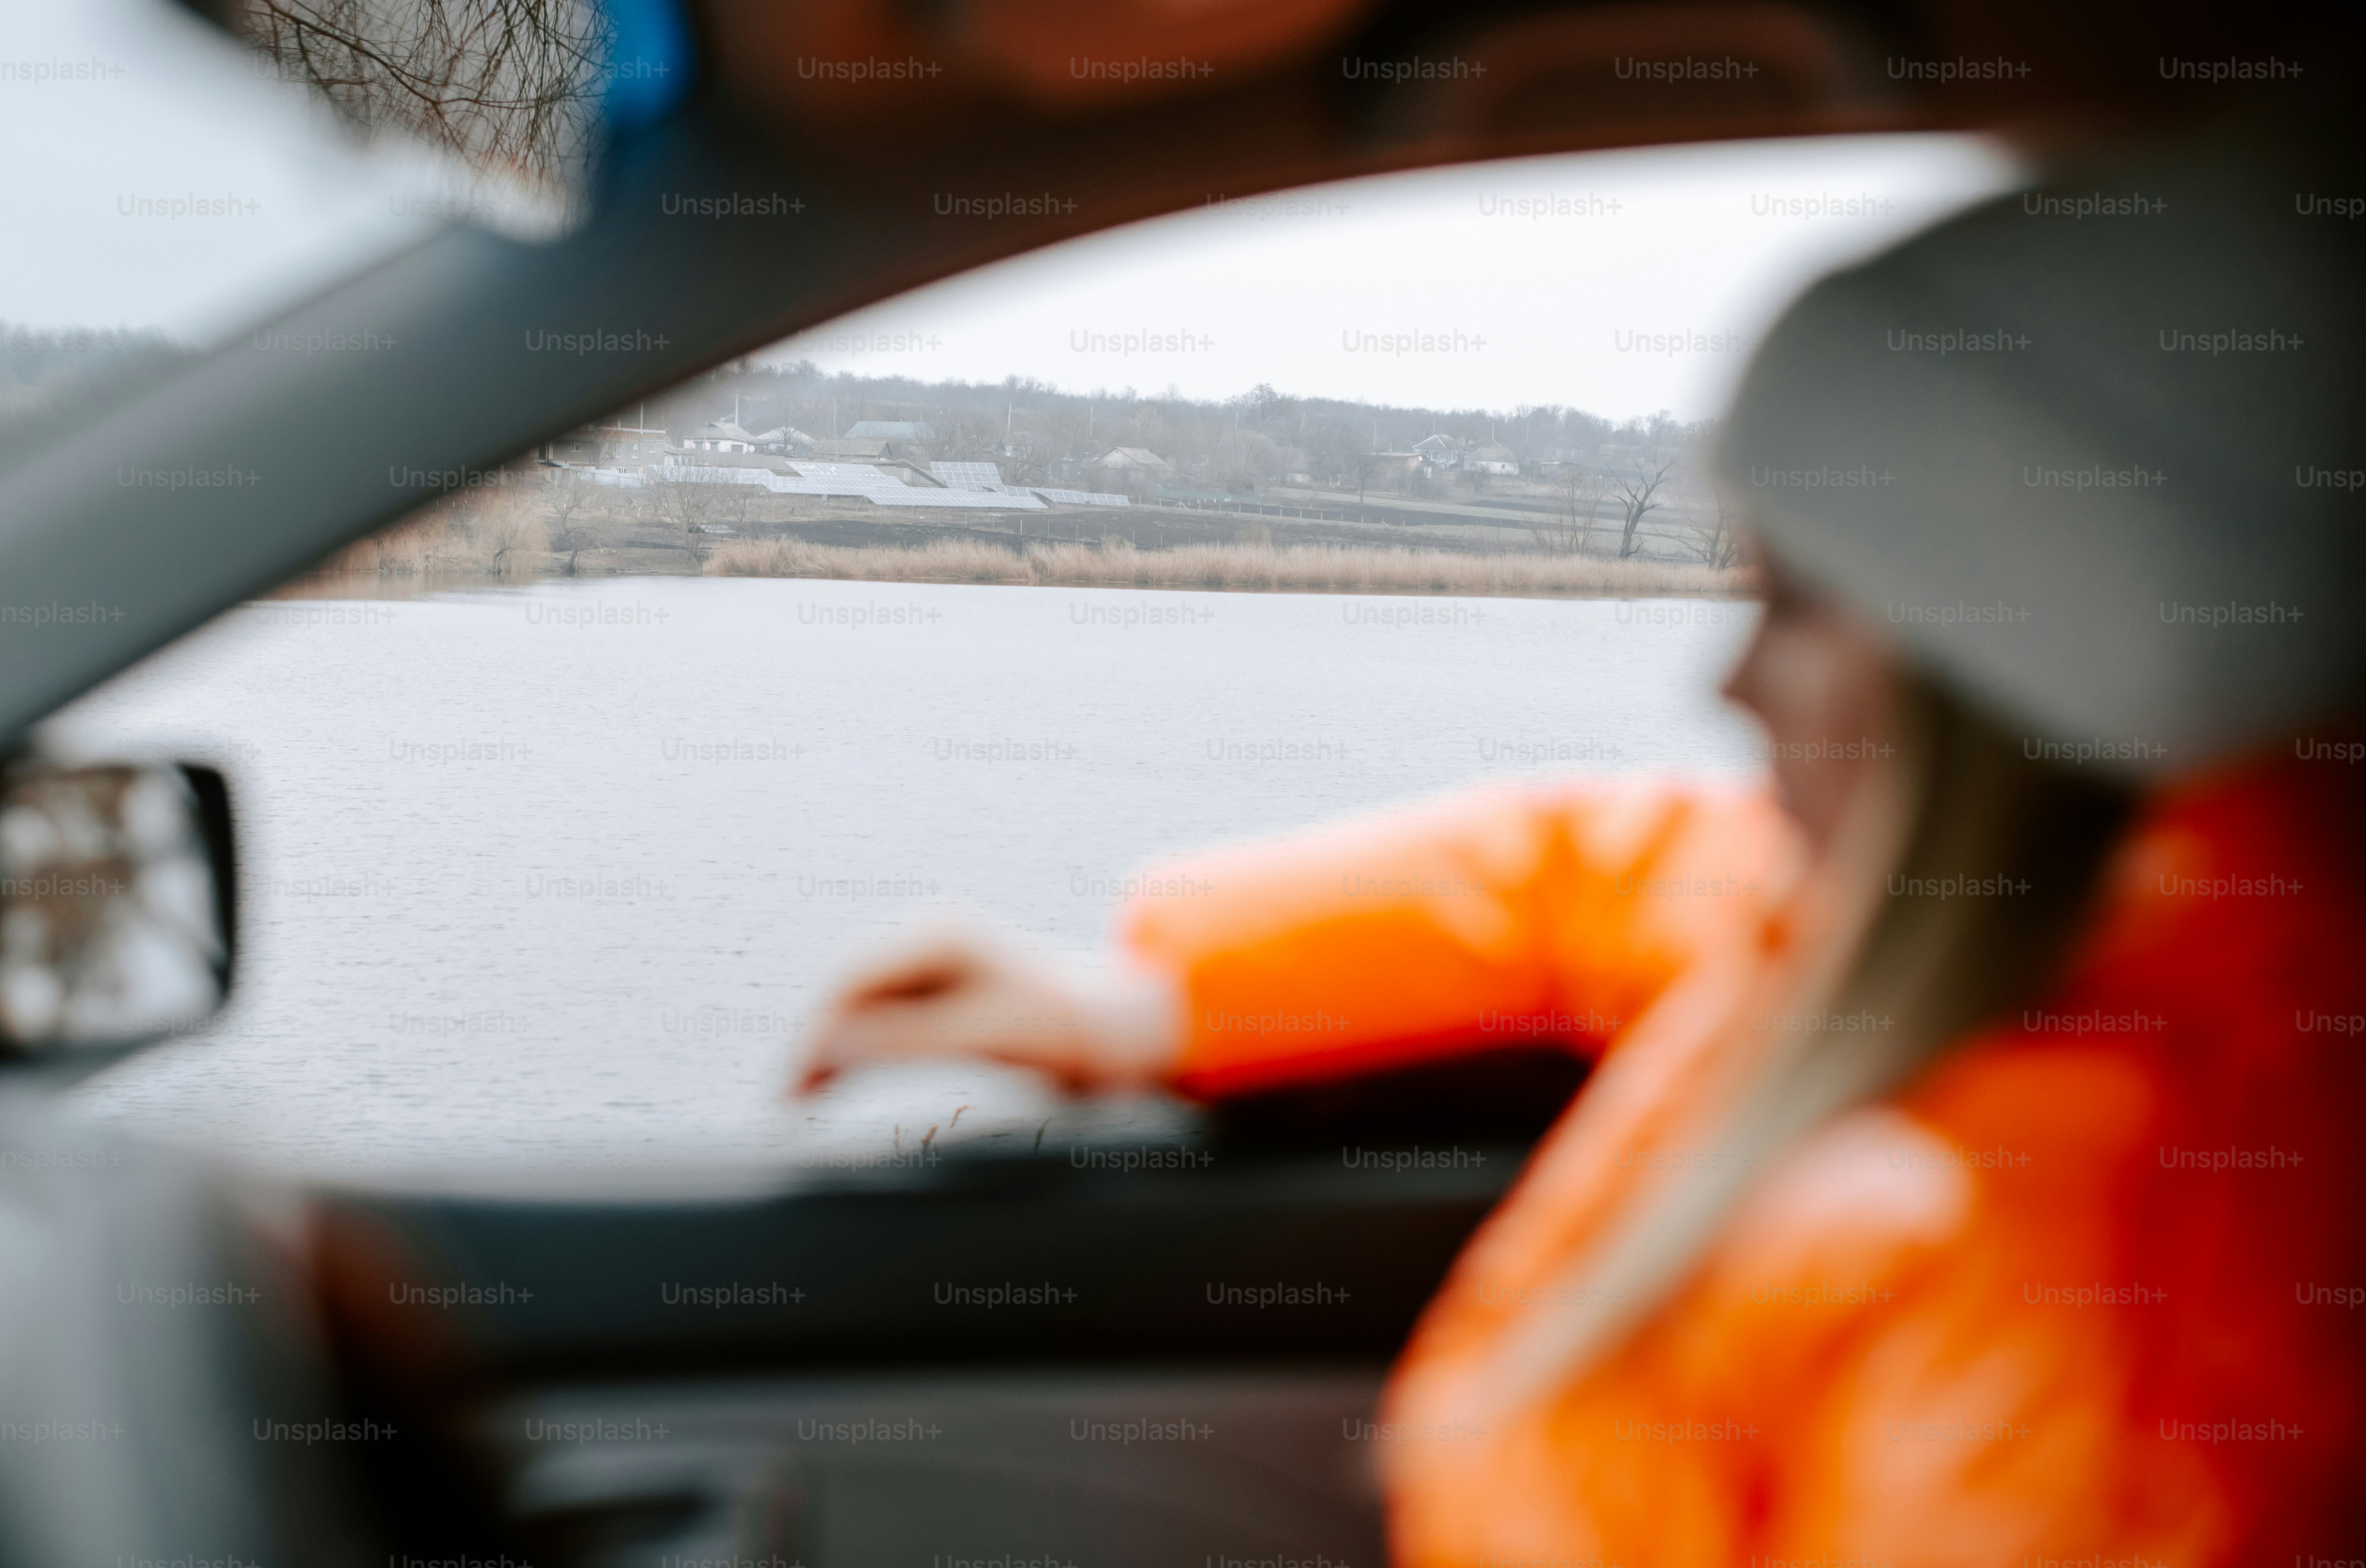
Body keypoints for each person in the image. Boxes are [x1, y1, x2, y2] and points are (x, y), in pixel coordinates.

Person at [795, 122, 2366, 1562]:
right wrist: (1134, 1010)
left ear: (2019, 668)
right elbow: (1577, 871)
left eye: (1802, 609)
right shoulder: (1896, 928)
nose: (1729, 682)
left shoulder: (2071, 1305)